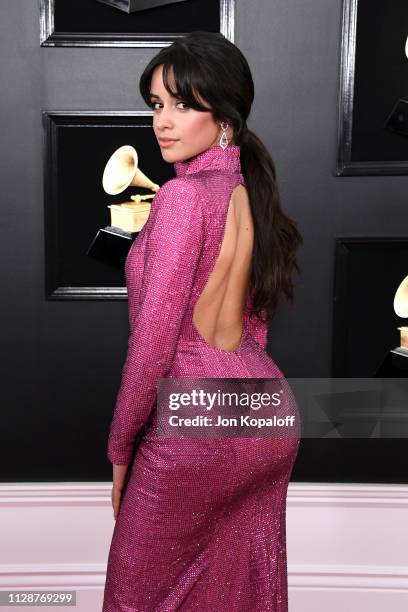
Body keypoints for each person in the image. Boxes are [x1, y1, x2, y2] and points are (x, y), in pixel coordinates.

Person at [102, 30, 303, 612]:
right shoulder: (245, 190)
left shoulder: (182, 199)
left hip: (196, 422)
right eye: (157, 104)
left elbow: (153, 344)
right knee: (239, 592)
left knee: (135, 598)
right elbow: (253, 323)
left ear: (224, 118)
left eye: (183, 104)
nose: (164, 121)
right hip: (266, 408)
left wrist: (121, 449)